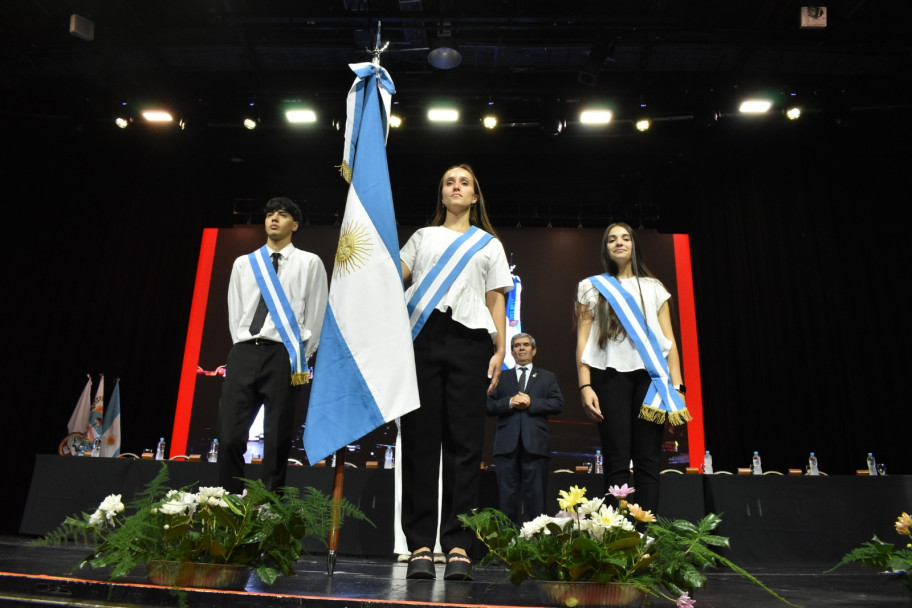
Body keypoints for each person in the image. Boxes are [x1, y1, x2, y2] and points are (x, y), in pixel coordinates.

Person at [399, 164, 513, 580]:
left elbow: (496, 299)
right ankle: (421, 546)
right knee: (419, 442)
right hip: (422, 338)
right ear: (442, 194)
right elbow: (396, 278)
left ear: (475, 195)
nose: (456, 187)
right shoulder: (422, 237)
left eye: (464, 182)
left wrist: (500, 348)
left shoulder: (489, 245)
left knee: (466, 445)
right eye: (449, 181)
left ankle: (460, 544)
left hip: (471, 342)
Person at [575, 223, 690, 517]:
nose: (619, 243)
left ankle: (645, 534)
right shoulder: (590, 286)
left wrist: (677, 388)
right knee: (616, 459)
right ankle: (617, 536)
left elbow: (670, 343)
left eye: (625, 238)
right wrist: (585, 385)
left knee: (648, 459)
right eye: (612, 239)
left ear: (634, 245)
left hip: (650, 381)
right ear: (606, 248)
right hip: (608, 377)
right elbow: (583, 341)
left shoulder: (655, 288)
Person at [217, 197, 328, 495]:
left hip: (284, 355)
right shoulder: (244, 263)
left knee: (277, 438)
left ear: (295, 224)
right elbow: (235, 313)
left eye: (282, 214)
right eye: (269, 214)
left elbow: (316, 316)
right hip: (244, 351)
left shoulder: (309, 263)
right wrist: (242, 346)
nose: (273, 219)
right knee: (229, 436)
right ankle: (228, 503)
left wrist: (301, 358)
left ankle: (269, 506)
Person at [486, 332, 564, 524]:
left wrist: (533, 402)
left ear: (534, 350)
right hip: (506, 446)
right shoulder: (501, 377)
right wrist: (510, 402)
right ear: (511, 352)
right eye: (517, 345)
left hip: (536, 446)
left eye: (526, 345)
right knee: (506, 500)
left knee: (536, 499)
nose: (521, 348)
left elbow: (558, 404)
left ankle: (535, 542)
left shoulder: (547, 377)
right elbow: (487, 405)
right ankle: (507, 546)